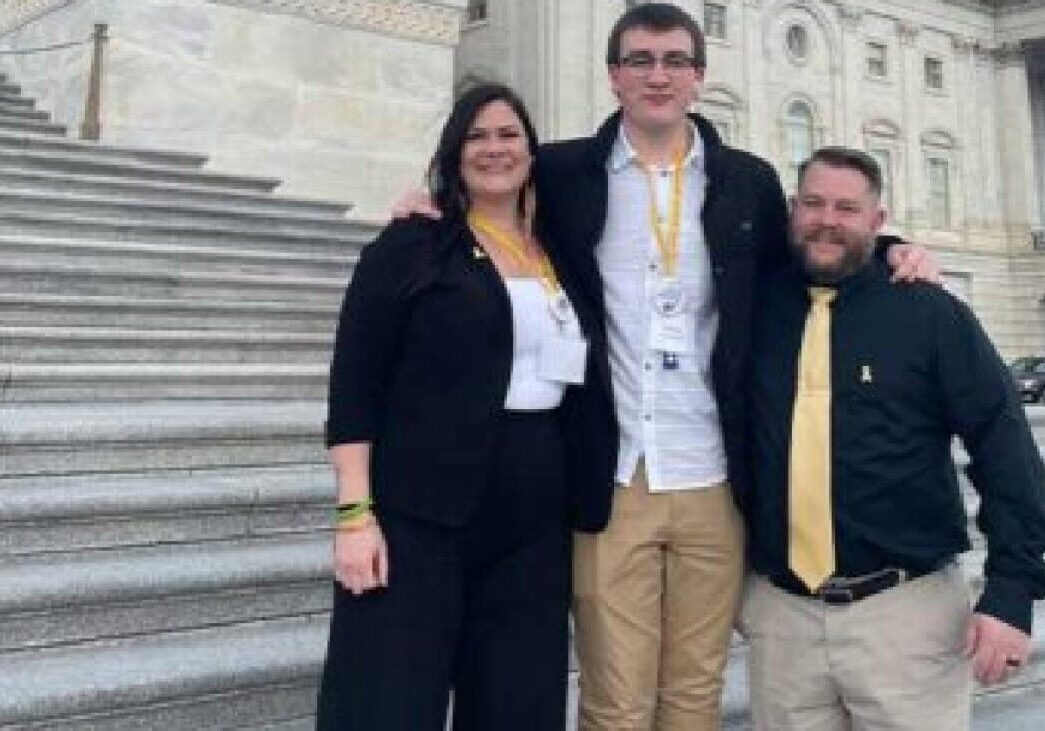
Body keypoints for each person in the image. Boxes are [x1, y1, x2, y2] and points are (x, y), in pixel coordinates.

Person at [396, 5, 935, 728]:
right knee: (614, 699)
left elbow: (809, 253)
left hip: (711, 475)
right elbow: (485, 202)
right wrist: (428, 203)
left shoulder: (745, 180)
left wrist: (892, 245)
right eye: (641, 60)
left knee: (692, 694)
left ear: (697, 76)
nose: (658, 74)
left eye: (674, 60)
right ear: (614, 75)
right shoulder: (560, 174)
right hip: (613, 476)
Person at [314, 82, 599, 731]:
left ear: (532, 151)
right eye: (478, 136)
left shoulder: (559, 251)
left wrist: (889, 241)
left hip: (532, 518)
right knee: (388, 700)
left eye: (509, 135)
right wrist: (355, 515)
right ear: (453, 152)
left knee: (515, 702)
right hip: (420, 514)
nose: (494, 149)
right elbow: (354, 385)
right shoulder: (412, 244)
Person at [742, 146, 1045, 730]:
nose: (827, 219)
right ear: (791, 211)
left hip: (905, 616)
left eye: (847, 209)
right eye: (813, 203)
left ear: (877, 222)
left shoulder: (930, 314)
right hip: (783, 619)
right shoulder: (757, 306)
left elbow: (1004, 448)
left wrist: (1011, 592)